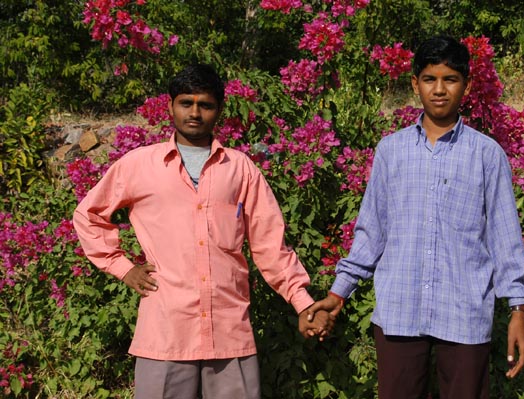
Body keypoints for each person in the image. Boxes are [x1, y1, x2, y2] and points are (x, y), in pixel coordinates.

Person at [73, 63, 331, 399]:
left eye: (205, 105)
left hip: (229, 331)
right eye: (186, 103)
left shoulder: (240, 169)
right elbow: (88, 215)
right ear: (171, 106)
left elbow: (270, 246)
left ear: (219, 110)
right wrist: (124, 269)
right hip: (165, 333)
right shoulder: (138, 165)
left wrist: (303, 303)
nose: (195, 113)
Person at [307, 35, 524, 399]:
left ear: (467, 85)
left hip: (464, 315)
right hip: (399, 312)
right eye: (429, 79)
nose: (439, 90)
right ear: (415, 83)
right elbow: (371, 233)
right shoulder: (391, 151)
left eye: (450, 79)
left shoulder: (487, 155)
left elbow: (504, 240)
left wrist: (517, 310)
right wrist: (339, 293)